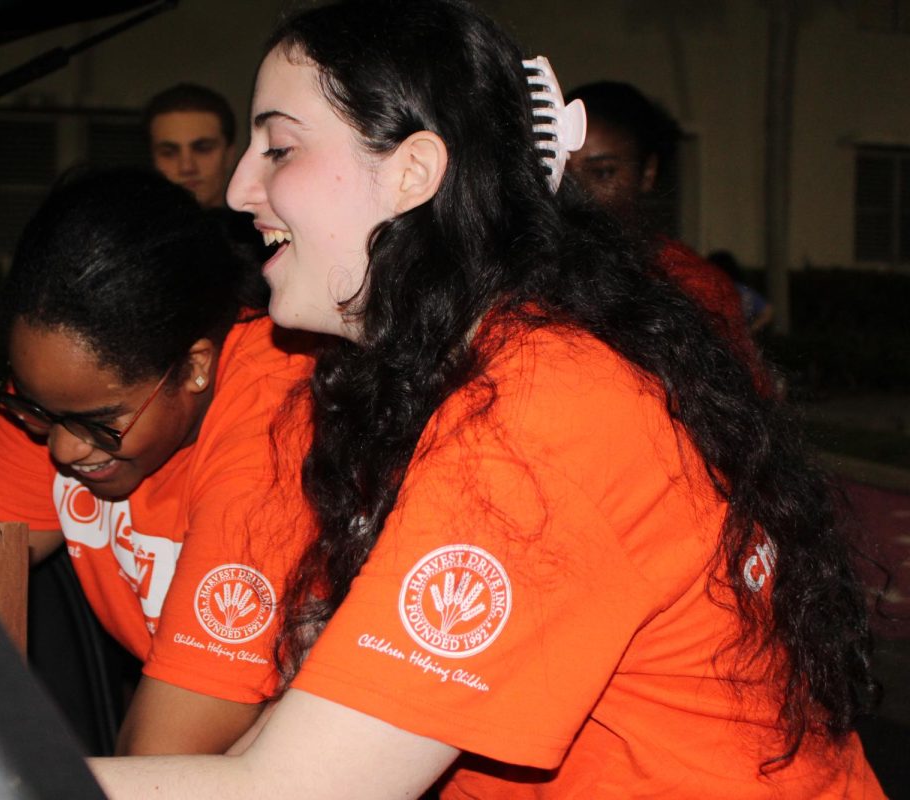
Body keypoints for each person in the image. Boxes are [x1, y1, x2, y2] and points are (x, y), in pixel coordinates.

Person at [89, 1, 882, 797]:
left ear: (412, 173)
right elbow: (316, 727)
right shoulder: (467, 369)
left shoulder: (543, 413)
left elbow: (300, 788)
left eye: (280, 147)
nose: (238, 189)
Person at [0, 167, 313, 756]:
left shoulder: (273, 441)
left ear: (195, 367)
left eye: (98, 425)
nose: (62, 449)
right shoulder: (72, 393)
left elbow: (165, 765)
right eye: (35, 409)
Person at [565, 80, 754, 356]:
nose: (576, 190)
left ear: (648, 172)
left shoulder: (695, 286)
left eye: (603, 172)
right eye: (562, 172)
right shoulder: (529, 272)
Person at [144, 83, 267, 266]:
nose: (187, 167)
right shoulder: (134, 245)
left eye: (203, 149)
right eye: (169, 152)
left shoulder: (264, 239)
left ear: (229, 153)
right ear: (152, 158)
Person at [708, 248, 776, 335]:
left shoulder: (718, 289)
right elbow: (768, 311)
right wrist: (751, 329)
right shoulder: (744, 290)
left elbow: (768, 311)